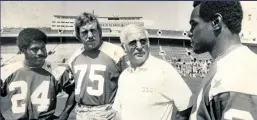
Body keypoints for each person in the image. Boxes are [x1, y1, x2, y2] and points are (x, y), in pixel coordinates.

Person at [188, 1, 257, 120]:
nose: (190, 33)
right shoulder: (231, 65)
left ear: (216, 22)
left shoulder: (236, 75)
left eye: (194, 25)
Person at [113, 24, 193, 120]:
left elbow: (187, 108)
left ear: (148, 43)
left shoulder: (164, 70)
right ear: (124, 47)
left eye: (143, 41)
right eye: (133, 43)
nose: (139, 46)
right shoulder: (124, 75)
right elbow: (119, 111)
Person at [0, 28, 74, 120]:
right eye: (34, 49)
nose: (41, 53)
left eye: (43, 48)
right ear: (23, 50)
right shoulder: (7, 72)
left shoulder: (57, 71)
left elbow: (74, 91)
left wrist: (65, 114)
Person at [67, 12, 127, 120]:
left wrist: (119, 108)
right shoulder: (73, 58)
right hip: (81, 112)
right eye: (85, 32)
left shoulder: (116, 52)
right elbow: (71, 88)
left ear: (99, 31)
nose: (90, 35)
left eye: (93, 30)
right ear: (78, 36)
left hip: (107, 112)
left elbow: (129, 83)